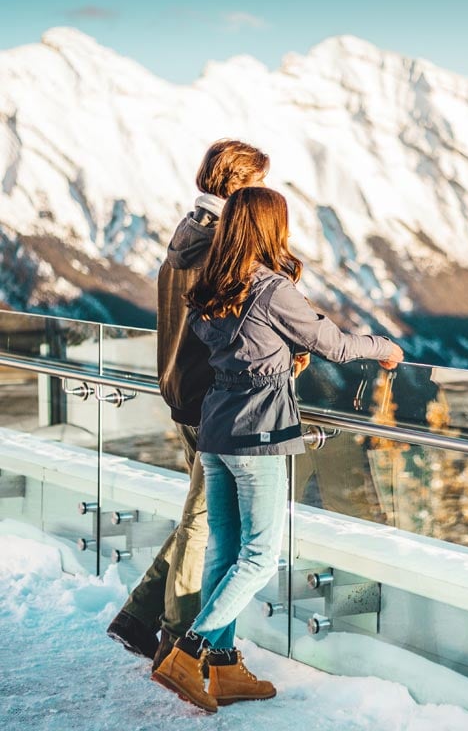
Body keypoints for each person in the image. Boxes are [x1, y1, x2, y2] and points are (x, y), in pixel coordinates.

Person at [151, 186, 404, 713]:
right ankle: (190, 649)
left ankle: (222, 670)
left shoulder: (211, 283)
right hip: (258, 433)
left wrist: (277, 358)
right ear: (270, 229)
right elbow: (331, 342)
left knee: (224, 549)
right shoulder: (269, 288)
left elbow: (235, 347)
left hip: (216, 428)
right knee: (262, 554)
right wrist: (384, 349)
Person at [107, 140, 279, 670]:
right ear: (237, 186)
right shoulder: (219, 251)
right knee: (205, 524)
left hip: (182, 395)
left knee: (198, 517)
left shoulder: (183, 237)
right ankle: (177, 639)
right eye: (255, 185)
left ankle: (138, 619)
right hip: (217, 403)